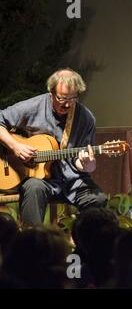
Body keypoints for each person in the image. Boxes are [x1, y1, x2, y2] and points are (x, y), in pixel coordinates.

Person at [0, 68, 107, 226]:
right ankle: (33, 242)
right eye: (62, 98)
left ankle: (84, 245)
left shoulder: (86, 118)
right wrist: (15, 146)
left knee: (98, 199)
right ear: (51, 93)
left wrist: (86, 165)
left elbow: (80, 162)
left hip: (72, 180)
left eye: (73, 99)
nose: (67, 104)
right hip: (41, 181)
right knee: (33, 188)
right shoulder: (33, 106)